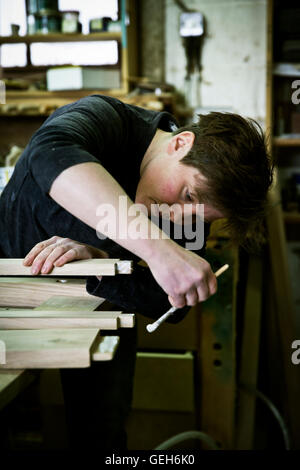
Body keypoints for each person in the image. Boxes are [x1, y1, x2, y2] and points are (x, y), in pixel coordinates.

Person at [0, 94, 273, 451]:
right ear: (180, 143)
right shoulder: (106, 118)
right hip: (11, 288)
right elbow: (48, 153)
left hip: (96, 307)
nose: (177, 217)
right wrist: (158, 250)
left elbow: (170, 302)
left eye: (197, 217)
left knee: (102, 435)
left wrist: (98, 263)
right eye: (187, 196)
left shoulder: (189, 210)